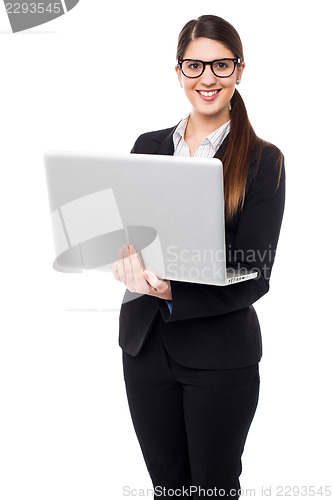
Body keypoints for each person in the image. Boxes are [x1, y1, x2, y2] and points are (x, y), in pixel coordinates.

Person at [112, 14, 285, 500]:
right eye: (195, 66)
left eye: (220, 65)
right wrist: (123, 262)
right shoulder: (147, 147)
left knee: (212, 490)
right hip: (144, 347)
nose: (207, 78)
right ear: (179, 71)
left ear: (239, 70)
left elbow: (256, 271)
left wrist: (173, 289)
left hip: (219, 353)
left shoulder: (262, 160)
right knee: (168, 489)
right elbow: (129, 237)